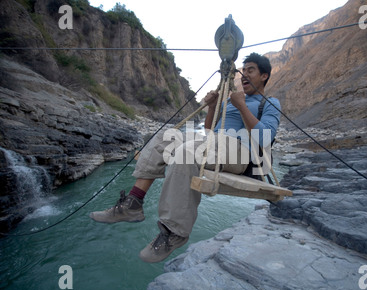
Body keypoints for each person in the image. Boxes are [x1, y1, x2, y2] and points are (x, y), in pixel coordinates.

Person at [89, 53, 281, 263]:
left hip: (240, 151)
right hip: (216, 142)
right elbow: (210, 130)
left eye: (250, 70)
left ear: (264, 76)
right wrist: (211, 107)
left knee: (188, 151)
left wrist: (242, 106)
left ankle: (174, 232)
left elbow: (265, 137)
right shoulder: (232, 100)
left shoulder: (269, 102)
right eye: (243, 70)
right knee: (164, 137)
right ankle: (132, 204)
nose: (244, 75)